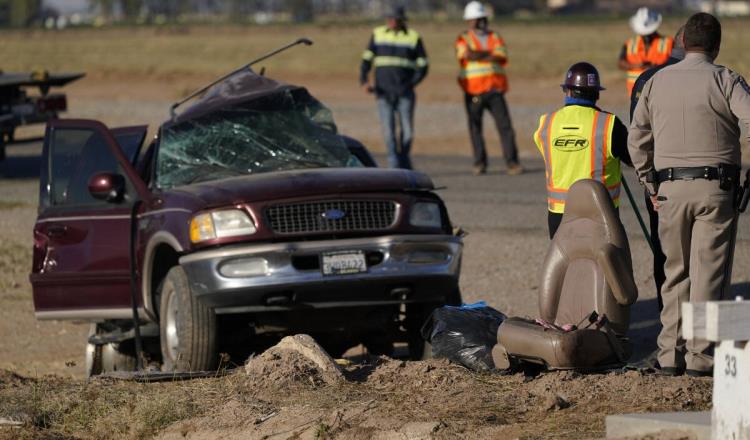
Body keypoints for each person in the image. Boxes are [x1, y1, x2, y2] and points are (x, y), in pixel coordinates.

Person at [629, 12, 750, 377]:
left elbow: (637, 141)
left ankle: (669, 355)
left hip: (668, 191)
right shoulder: (726, 79)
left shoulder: (655, 81)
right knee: (710, 273)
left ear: (681, 43)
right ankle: (703, 358)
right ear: (716, 46)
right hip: (716, 190)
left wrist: (651, 185)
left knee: (674, 273)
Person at [534, 62, 632, 238]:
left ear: (568, 91)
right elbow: (634, 159)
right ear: (596, 94)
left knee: (565, 263)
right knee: (606, 263)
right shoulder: (609, 124)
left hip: (559, 215)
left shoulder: (546, 124)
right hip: (601, 212)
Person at [629, 26, 685, 312]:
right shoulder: (714, 76)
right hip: (703, 182)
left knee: (663, 251)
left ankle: (668, 315)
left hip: (659, 182)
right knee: (700, 255)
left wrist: (648, 183)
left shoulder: (645, 79)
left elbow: (638, 139)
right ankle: (697, 326)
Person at [454, 1, 523, 176]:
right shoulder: (463, 38)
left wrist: (478, 54)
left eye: (479, 18)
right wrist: (489, 54)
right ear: (469, 21)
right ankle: (480, 163)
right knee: (475, 128)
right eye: (474, 19)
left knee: (505, 127)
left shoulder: (495, 36)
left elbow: (501, 55)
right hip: (473, 90)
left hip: (495, 90)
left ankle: (512, 163)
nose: (477, 22)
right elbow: (466, 55)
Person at [360, 6, 428, 170]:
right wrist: (364, 81)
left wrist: (412, 83)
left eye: (394, 18)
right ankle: (394, 166)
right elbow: (367, 60)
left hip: (405, 92)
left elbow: (423, 65)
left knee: (408, 132)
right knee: (389, 134)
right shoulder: (378, 34)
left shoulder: (413, 37)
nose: (390, 21)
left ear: (401, 20)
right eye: (388, 18)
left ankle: (403, 160)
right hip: (383, 92)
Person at [618, 7, 673, 98]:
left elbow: (676, 64)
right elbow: (620, 63)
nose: (646, 36)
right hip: (636, 95)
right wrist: (636, 66)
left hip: (660, 93)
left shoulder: (668, 43)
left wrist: (655, 68)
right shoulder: (630, 44)